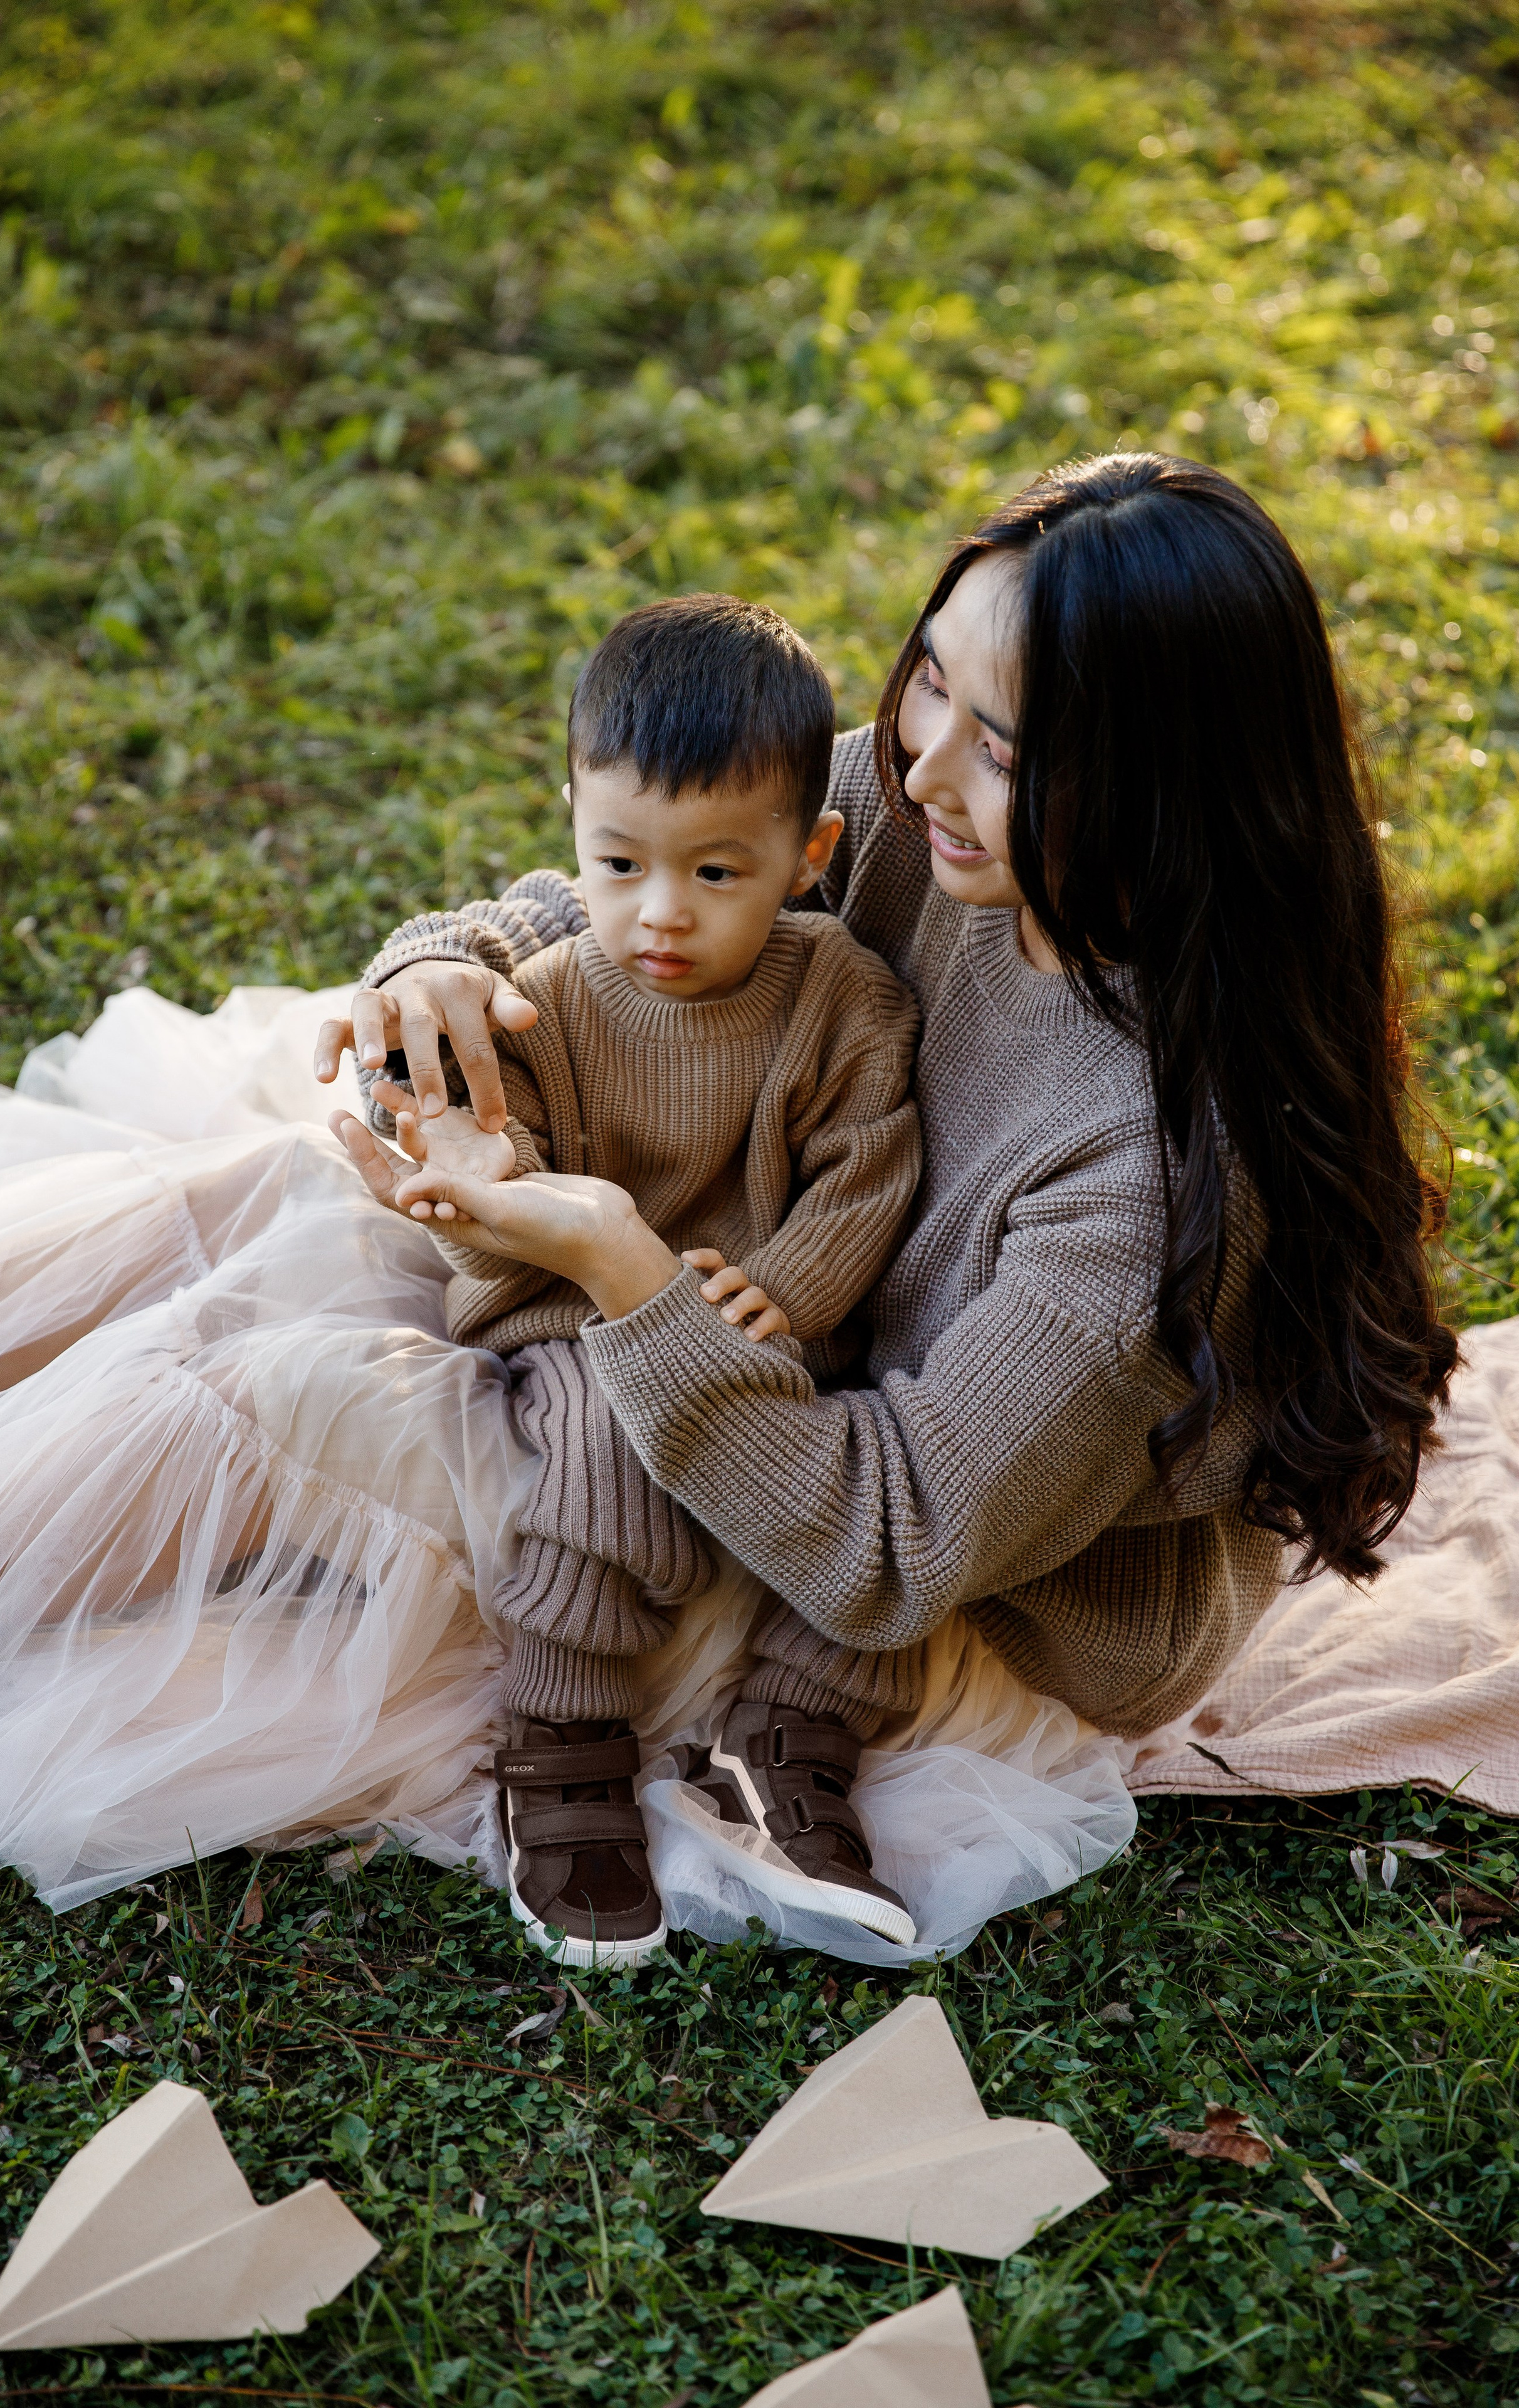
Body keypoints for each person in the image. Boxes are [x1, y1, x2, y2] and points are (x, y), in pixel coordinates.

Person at [327, 450, 1458, 1842]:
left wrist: (628, 1269)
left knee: (481, 1515)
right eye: (931, 675)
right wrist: (445, 967)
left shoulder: (1151, 1186)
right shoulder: (927, 818)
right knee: (289, 1333)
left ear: (1156, 792)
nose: (913, 765)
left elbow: (886, 1544)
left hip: (958, 1580)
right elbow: (652, 891)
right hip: (797, 1368)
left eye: (1000, 745)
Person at [347, 593, 925, 1964]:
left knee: (862, 1490)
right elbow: (499, 1166)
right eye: (617, 863)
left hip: (754, 1319)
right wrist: (465, 1184)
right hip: (580, 1317)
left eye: (716, 873)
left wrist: (788, 1287)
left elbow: (869, 1168)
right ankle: (562, 1731)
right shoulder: (546, 997)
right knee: (606, 1467)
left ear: (808, 853)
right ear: (571, 828)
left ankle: (795, 1724)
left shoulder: (842, 996)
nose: (658, 914)